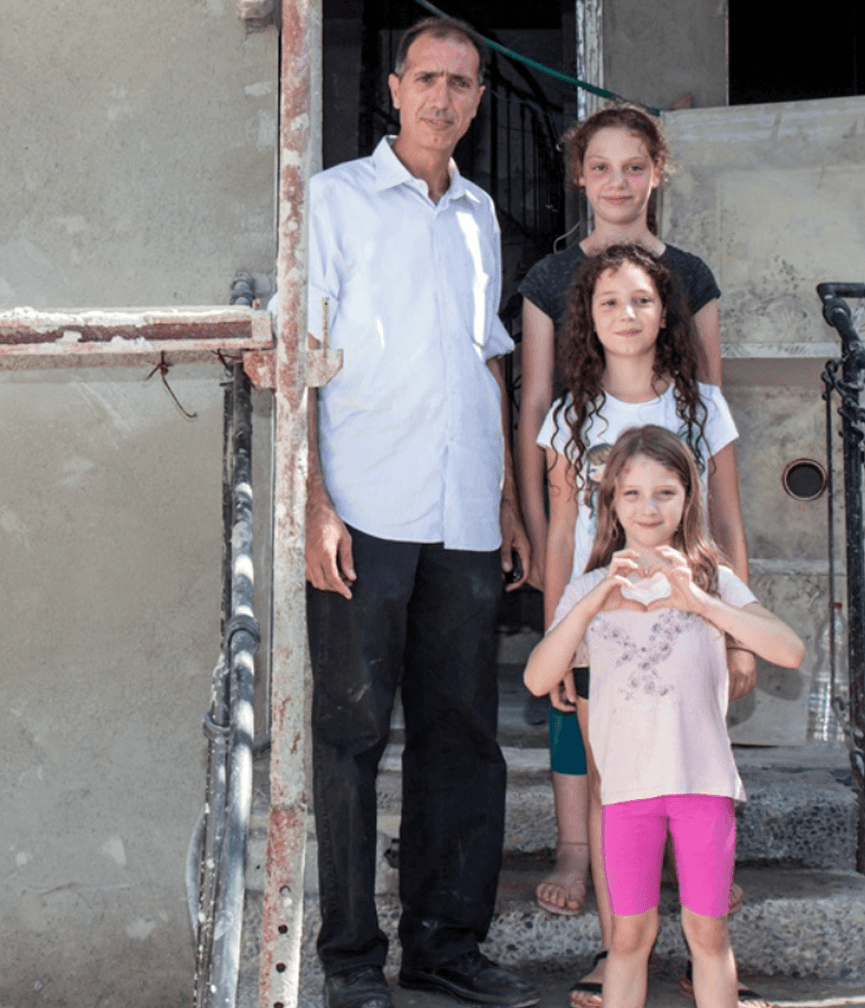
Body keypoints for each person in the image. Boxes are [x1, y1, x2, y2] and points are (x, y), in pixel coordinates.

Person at [305, 16, 537, 1008]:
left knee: (463, 736)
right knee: (353, 735)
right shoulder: (333, 201)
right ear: (393, 89)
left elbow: (490, 360)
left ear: (480, 102)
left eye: (463, 85)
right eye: (428, 79)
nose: (444, 98)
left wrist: (509, 504)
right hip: (364, 507)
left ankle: (447, 947)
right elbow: (303, 363)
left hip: (465, 516)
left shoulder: (480, 212)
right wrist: (313, 504)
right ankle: (352, 960)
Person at [515, 105, 755, 932]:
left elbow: (718, 480)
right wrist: (556, 618)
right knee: (593, 740)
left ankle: (699, 890)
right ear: (580, 177)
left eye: (634, 166)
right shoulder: (553, 293)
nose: (618, 182)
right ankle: (592, 879)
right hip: (597, 596)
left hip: (686, 595)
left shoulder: (690, 287)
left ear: (658, 171)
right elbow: (548, 458)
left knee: (683, 736)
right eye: (601, 167)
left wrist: (736, 621)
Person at [535, 243, 769, 1008]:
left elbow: (727, 518)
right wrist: (558, 646)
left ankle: (705, 942)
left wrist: (736, 632)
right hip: (601, 630)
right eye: (609, 303)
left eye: (641, 300)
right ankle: (619, 948)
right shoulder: (571, 414)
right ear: (588, 319)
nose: (627, 315)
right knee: (614, 786)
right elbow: (562, 538)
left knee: (691, 774)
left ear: (664, 310)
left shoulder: (701, 403)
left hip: (691, 627)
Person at [524, 424, 805, 1008]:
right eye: (632, 493)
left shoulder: (711, 581)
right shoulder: (589, 589)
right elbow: (536, 676)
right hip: (626, 794)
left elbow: (789, 650)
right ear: (612, 504)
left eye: (665, 493)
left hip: (701, 786)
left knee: (708, 932)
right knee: (629, 937)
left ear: (688, 499)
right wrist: (591, 605)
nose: (648, 507)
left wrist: (699, 603)